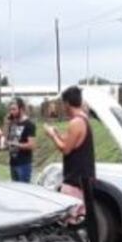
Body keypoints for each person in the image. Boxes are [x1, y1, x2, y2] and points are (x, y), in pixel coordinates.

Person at [44, 86, 94, 219]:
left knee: (72, 219)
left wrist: (52, 136)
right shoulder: (83, 119)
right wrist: (57, 134)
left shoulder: (75, 122)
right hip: (83, 179)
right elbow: (71, 142)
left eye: (62, 104)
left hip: (75, 180)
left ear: (66, 103)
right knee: (81, 219)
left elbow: (65, 149)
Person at [5, 98, 36, 183]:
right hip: (13, 163)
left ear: (21, 109)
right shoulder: (12, 123)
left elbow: (31, 145)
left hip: (24, 164)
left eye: (14, 109)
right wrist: (6, 124)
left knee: (24, 191)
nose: (11, 112)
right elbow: (6, 141)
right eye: (10, 109)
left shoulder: (29, 124)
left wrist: (15, 144)